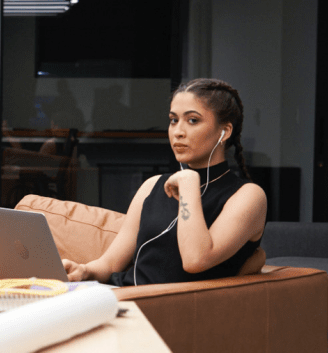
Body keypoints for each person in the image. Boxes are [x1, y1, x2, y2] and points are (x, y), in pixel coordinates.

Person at [62, 78, 267, 286]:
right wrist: (84, 270)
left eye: (193, 120)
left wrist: (189, 185)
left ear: (225, 132)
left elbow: (195, 260)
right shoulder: (152, 186)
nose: (178, 131)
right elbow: (111, 263)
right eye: (173, 120)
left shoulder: (248, 196)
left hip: (168, 307)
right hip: (121, 293)